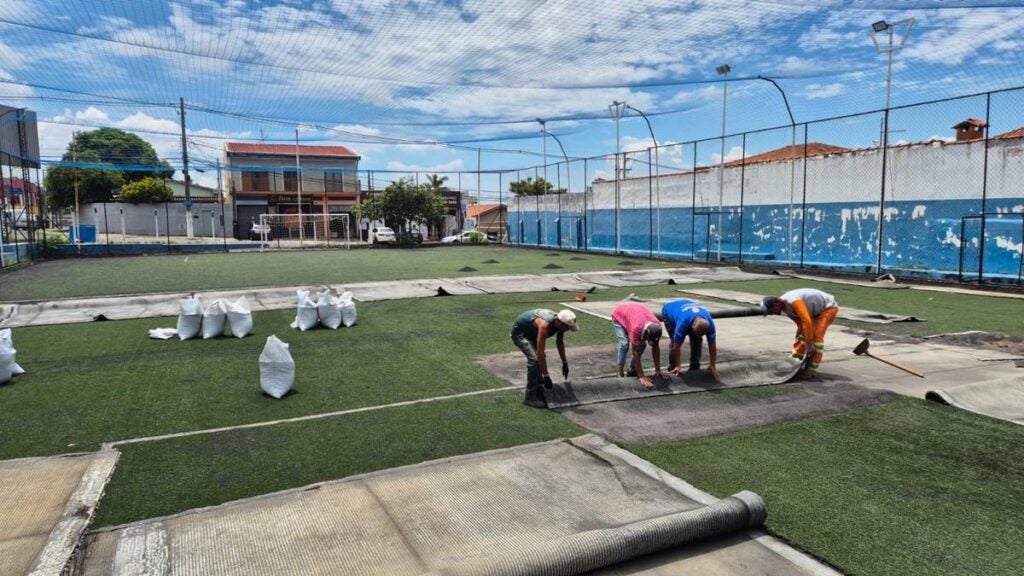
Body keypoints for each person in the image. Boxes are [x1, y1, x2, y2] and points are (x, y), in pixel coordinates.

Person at [762, 288, 839, 377]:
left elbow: (806, 321)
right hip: (813, 310)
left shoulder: (794, 302)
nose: (772, 313)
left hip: (828, 308)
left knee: (817, 337)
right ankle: (796, 361)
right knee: (801, 335)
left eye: (771, 311)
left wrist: (809, 344)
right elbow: (801, 324)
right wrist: (805, 338)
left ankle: (811, 369)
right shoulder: (785, 308)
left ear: (776, 305)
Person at [510, 308, 578, 407]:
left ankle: (537, 380)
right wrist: (546, 376)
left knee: (539, 359)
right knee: (535, 360)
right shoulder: (545, 325)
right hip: (520, 334)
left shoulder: (560, 322)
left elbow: (559, 342)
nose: (567, 330)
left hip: (533, 332)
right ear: (560, 323)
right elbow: (540, 353)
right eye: (567, 327)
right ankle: (530, 397)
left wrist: (565, 363)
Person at [611, 302, 668, 389]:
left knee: (642, 345)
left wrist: (658, 370)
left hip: (636, 313)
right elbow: (635, 352)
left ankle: (632, 369)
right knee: (624, 344)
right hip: (619, 314)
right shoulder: (636, 328)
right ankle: (620, 372)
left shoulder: (657, 327)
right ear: (646, 333)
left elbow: (655, 347)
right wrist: (641, 376)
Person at [660, 299, 718, 378]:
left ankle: (695, 366)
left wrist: (712, 365)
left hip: (687, 308)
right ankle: (673, 366)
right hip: (669, 310)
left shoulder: (710, 325)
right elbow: (676, 347)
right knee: (674, 340)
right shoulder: (683, 323)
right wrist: (678, 365)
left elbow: (712, 346)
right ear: (693, 325)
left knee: (697, 340)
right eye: (695, 332)